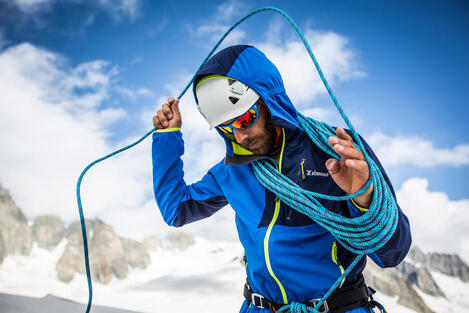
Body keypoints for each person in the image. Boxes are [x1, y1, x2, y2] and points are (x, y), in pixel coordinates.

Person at [151, 45, 411, 313]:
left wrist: (363, 197)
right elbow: (176, 209)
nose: (239, 137)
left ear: (268, 100)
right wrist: (166, 138)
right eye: (226, 128)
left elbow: (393, 253)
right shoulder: (232, 171)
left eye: (244, 120)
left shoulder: (339, 151)